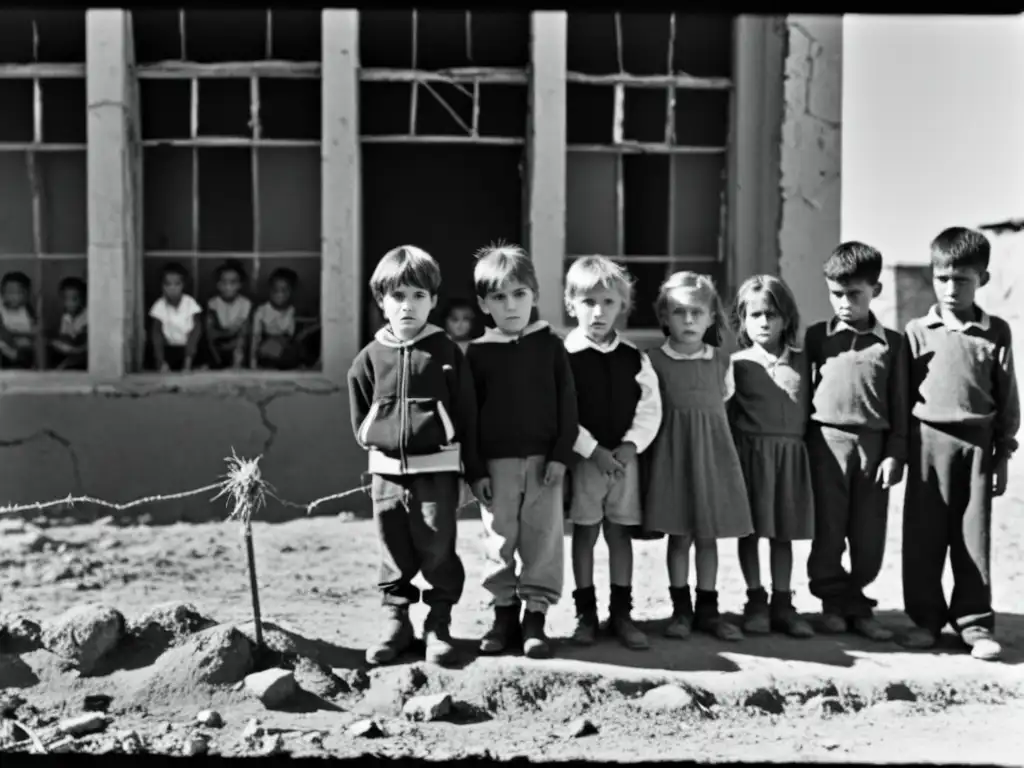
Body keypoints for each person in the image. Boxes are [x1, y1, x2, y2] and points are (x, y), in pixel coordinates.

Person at [347, 245, 477, 668]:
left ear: (434, 301)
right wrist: (378, 439)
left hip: (437, 470)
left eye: (419, 296)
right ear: (382, 302)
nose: (408, 306)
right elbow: (361, 411)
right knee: (392, 546)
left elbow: (466, 413)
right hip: (386, 474)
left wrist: (467, 471)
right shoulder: (367, 359)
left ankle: (438, 624)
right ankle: (396, 622)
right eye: (398, 296)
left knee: (438, 546)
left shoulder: (445, 353)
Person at [899, 226, 1019, 661]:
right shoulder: (915, 331)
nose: (951, 289)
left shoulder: (996, 332)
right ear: (932, 277)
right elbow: (901, 398)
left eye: (962, 279)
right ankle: (925, 621)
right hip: (926, 447)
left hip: (976, 450)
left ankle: (974, 623)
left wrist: (1003, 453)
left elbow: (1007, 398)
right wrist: (899, 452)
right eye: (943, 278)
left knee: (973, 538)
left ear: (982, 280)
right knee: (923, 537)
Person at [465, 242, 579, 660]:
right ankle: (503, 614)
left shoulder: (550, 345)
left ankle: (535, 616)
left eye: (519, 294)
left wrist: (561, 456)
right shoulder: (476, 354)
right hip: (496, 467)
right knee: (500, 538)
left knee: (543, 538)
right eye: (498, 297)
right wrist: (475, 470)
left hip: (545, 465)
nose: (510, 305)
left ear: (534, 296)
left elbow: (569, 405)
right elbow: (469, 417)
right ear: (483, 304)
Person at [642, 271, 753, 641]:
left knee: (708, 538)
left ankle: (709, 610)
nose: (688, 320)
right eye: (678, 312)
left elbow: (721, 404)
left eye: (697, 313)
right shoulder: (653, 361)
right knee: (680, 536)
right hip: (673, 459)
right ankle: (681, 611)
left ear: (711, 318)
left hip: (712, 458)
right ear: (664, 317)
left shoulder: (723, 362)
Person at [804, 242, 906, 641]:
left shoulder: (893, 343)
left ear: (875, 291)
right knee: (828, 529)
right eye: (836, 294)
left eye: (854, 294)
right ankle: (832, 601)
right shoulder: (817, 338)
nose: (844, 303)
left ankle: (858, 596)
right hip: (825, 446)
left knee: (868, 534)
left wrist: (896, 453)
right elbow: (803, 395)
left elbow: (899, 403)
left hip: (874, 449)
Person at [563, 256, 662, 650]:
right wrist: (591, 450)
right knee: (585, 534)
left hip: (625, 465)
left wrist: (630, 444)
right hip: (585, 462)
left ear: (622, 305)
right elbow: (560, 413)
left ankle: (621, 613)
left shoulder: (634, 358)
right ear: (571, 304)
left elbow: (650, 407)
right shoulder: (563, 357)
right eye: (588, 302)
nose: (598, 311)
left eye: (607, 302)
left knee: (619, 535)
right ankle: (585, 614)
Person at [729, 274, 816, 638]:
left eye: (772, 314)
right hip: (750, 461)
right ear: (743, 320)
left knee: (783, 534)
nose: (764, 322)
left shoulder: (803, 362)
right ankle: (755, 599)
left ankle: (783, 601)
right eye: (755, 315)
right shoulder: (736, 364)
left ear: (787, 319)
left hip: (791, 460)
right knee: (750, 533)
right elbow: (728, 416)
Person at [149, 262, 202, 372]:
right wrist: (161, 361)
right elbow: (156, 335)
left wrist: (188, 359)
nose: (172, 288)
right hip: (169, 350)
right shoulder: (159, 306)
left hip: (189, 350)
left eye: (177, 284)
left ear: (183, 285)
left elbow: (196, 332)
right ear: (162, 286)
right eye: (168, 284)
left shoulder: (190, 303)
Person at [251, 268, 306, 370]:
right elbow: (255, 338)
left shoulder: (293, 311)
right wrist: (253, 365)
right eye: (275, 290)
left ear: (292, 291)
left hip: (287, 350)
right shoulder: (261, 311)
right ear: (270, 290)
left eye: (284, 290)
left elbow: (293, 336)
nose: (279, 295)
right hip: (266, 350)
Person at [206, 260, 252, 370]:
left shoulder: (245, 304)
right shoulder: (213, 303)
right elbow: (210, 332)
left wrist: (235, 340)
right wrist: (225, 333)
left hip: (237, 344)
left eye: (233, 283)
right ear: (218, 284)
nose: (228, 287)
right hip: (218, 343)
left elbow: (244, 331)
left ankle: (237, 366)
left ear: (240, 284)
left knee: (241, 341)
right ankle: (215, 364)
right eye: (224, 283)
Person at [0, 271, 38, 370]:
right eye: (6, 292)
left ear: (26, 295)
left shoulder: (27, 311)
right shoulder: (2, 309)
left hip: (22, 350)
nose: (10, 296)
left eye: (15, 293)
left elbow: (35, 331)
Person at [50, 276, 88, 371]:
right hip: (70, 349)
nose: (69, 303)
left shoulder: (87, 315)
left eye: (74, 299)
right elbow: (64, 336)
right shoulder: (66, 316)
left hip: (83, 351)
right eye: (66, 299)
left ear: (82, 299)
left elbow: (84, 342)